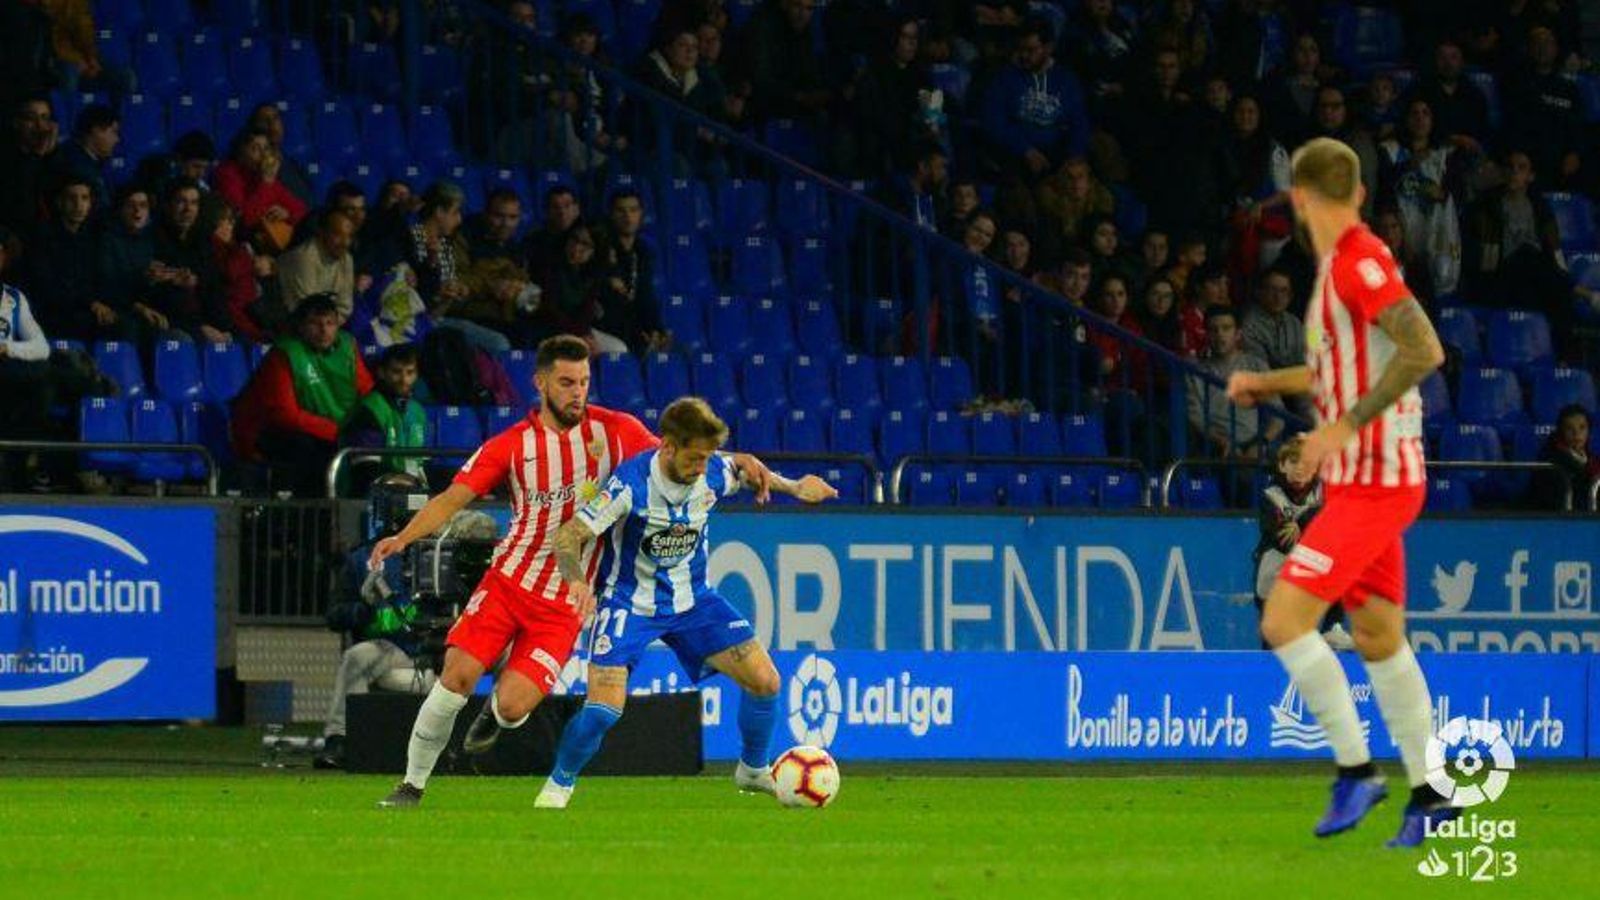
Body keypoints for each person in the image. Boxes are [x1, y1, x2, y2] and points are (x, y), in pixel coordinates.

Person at [368, 337, 773, 808]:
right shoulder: (511, 446)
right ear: (540, 384)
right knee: (456, 678)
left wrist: (739, 461)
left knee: (514, 706)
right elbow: (452, 498)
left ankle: (497, 715)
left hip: (564, 604)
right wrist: (404, 538)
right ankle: (411, 786)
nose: (577, 392)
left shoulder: (615, 431)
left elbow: (677, 457)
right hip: (508, 582)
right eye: (566, 382)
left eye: (583, 382)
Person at [1226, 137, 1451, 847]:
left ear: (1297, 200)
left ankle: (1357, 773)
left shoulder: (1357, 263)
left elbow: (1425, 349)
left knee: (1285, 622)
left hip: (1374, 482)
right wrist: (1266, 383)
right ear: (1353, 193)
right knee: (1380, 639)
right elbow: (1335, 373)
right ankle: (1433, 793)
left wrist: (1341, 429)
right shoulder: (1336, 271)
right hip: (1369, 481)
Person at [532, 397, 837, 808]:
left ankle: (752, 769)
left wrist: (796, 487)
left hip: (694, 602)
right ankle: (559, 784)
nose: (701, 468)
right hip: (629, 605)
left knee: (766, 682)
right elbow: (569, 535)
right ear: (668, 447)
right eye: (694, 458)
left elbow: (745, 472)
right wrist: (574, 580)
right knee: (604, 710)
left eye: (707, 458)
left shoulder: (711, 471)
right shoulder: (630, 484)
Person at [316, 474, 443, 769]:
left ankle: (503, 739)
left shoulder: (440, 552)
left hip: (440, 656)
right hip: (391, 654)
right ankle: (340, 739)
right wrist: (363, 608)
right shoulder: (362, 558)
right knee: (357, 656)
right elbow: (334, 616)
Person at [231, 294, 374, 494]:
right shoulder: (284, 354)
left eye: (330, 323)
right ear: (301, 326)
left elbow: (368, 394)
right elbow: (285, 416)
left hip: (330, 429)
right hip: (268, 433)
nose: (324, 330)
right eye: (315, 324)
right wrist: (337, 433)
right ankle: (314, 516)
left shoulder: (347, 347)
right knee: (312, 450)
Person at [1253, 438, 1350, 651]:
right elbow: (1283, 540)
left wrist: (1301, 521)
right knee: (1275, 643)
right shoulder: (1271, 496)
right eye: (1294, 462)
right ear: (1281, 465)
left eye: (1307, 463)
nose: (1300, 469)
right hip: (1274, 574)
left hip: (1308, 569)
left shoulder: (1323, 494)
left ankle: (1333, 627)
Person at [979, 18, 1089, 180]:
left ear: (1048, 48)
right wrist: (1025, 150)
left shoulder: (1066, 79)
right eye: (1020, 49)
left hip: (1058, 155)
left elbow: (1079, 122)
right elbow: (993, 122)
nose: (1024, 55)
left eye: (1030, 50)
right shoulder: (1005, 78)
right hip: (1016, 155)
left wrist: (1074, 156)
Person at [0, 228, 54, 489]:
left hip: (7, 373)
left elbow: (42, 347)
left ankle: (22, 465)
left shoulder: (13, 298)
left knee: (43, 377)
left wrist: (6, 348)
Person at [1188, 305, 1279, 458]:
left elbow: (1278, 415)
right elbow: (1196, 418)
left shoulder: (1256, 366)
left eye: (1226, 328)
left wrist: (1261, 444)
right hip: (1215, 445)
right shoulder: (1196, 372)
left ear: (1238, 334)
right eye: (1213, 329)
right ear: (1206, 335)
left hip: (1256, 442)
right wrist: (1221, 441)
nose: (1220, 334)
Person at [340, 343, 429, 484]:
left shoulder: (418, 411)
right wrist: (400, 482)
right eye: (396, 372)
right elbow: (365, 469)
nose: (404, 380)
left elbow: (423, 463)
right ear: (382, 372)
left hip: (411, 494)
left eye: (410, 372)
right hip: (371, 496)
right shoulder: (369, 409)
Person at [594, 191, 668, 354]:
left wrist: (656, 330)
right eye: (621, 210)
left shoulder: (643, 251)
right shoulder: (599, 249)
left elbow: (645, 295)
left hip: (632, 329)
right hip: (602, 328)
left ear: (641, 214)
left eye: (633, 210)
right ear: (611, 214)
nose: (628, 216)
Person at [277, 211, 357, 321]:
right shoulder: (304, 257)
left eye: (349, 236)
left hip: (325, 328)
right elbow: (305, 311)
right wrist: (329, 327)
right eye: (338, 235)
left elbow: (345, 307)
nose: (345, 243)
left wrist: (332, 326)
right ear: (321, 232)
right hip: (288, 323)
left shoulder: (347, 259)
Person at [1532, 405, 1599, 511]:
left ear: (1589, 430)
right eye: (1569, 428)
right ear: (1561, 431)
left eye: (1582, 427)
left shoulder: (1593, 459)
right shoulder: (1551, 461)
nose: (1577, 434)